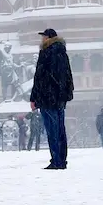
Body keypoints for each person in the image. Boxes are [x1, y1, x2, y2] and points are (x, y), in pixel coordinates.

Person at [29, 28, 74, 169]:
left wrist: (34, 98)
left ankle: (56, 160)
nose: (42, 39)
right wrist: (66, 94)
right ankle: (62, 160)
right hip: (60, 98)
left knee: (52, 130)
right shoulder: (62, 53)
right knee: (60, 130)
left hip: (47, 97)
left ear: (48, 38)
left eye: (43, 37)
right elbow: (68, 75)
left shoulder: (46, 52)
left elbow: (39, 77)